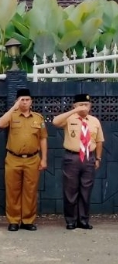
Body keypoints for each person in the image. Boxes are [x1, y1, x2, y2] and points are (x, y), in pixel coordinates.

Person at [0, 88, 48, 231]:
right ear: (17, 101)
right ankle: (13, 220)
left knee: (30, 191)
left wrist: (44, 159)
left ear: (31, 101)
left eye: (27, 100)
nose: (24, 102)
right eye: (21, 100)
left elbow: (43, 138)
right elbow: (0, 124)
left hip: (33, 159)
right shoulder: (12, 116)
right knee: (12, 190)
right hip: (13, 158)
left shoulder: (38, 118)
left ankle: (27, 220)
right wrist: (14, 107)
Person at [52, 93, 104, 230]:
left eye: (87, 104)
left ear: (90, 106)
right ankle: (71, 220)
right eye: (81, 104)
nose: (84, 107)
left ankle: (83, 220)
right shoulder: (69, 119)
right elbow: (55, 122)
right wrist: (75, 111)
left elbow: (99, 141)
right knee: (70, 190)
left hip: (89, 157)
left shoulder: (94, 121)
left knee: (86, 190)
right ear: (74, 105)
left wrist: (98, 158)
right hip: (72, 157)